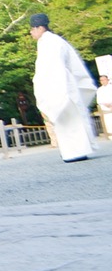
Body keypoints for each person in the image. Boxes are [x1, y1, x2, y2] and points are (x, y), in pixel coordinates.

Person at [30, 13, 97, 162]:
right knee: (73, 119)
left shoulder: (49, 43)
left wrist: (50, 91)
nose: (31, 32)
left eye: (32, 29)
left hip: (60, 85)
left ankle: (74, 152)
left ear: (40, 28)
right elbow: (75, 67)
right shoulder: (55, 41)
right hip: (67, 84)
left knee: (66, 119)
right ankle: (80, 149)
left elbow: (52, 69)